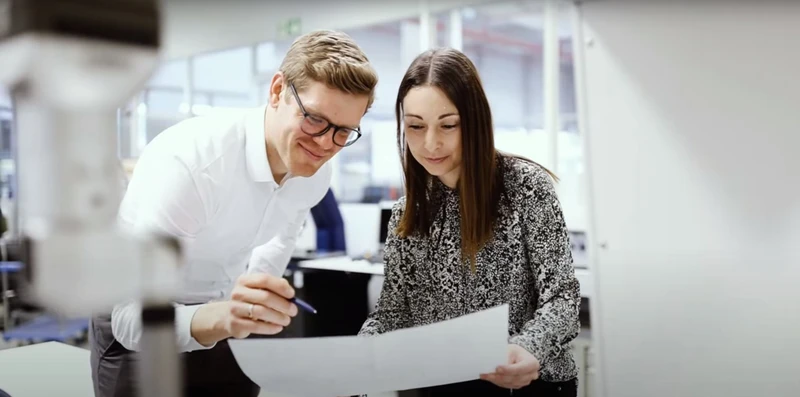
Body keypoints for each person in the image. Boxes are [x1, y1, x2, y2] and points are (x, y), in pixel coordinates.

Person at [89, 30, 378, 397]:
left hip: (223, 314)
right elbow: (128, 321)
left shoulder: (316, 171)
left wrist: (251, 302)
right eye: (314, 119)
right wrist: (225, 315)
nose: (325, 144)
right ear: (277, 91)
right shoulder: (194, 164)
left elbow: (281, 237)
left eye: (343, 132)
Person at [357, 47, 581, 397]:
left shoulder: (525, 188)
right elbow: (392, 315)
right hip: (439, 386)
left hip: (526, 385)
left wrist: (529, 348)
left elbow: (562, 297)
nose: (431, 143)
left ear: (474, 121)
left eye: (448, 125)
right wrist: (353, 362)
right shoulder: (408, 211)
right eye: (415, 126)